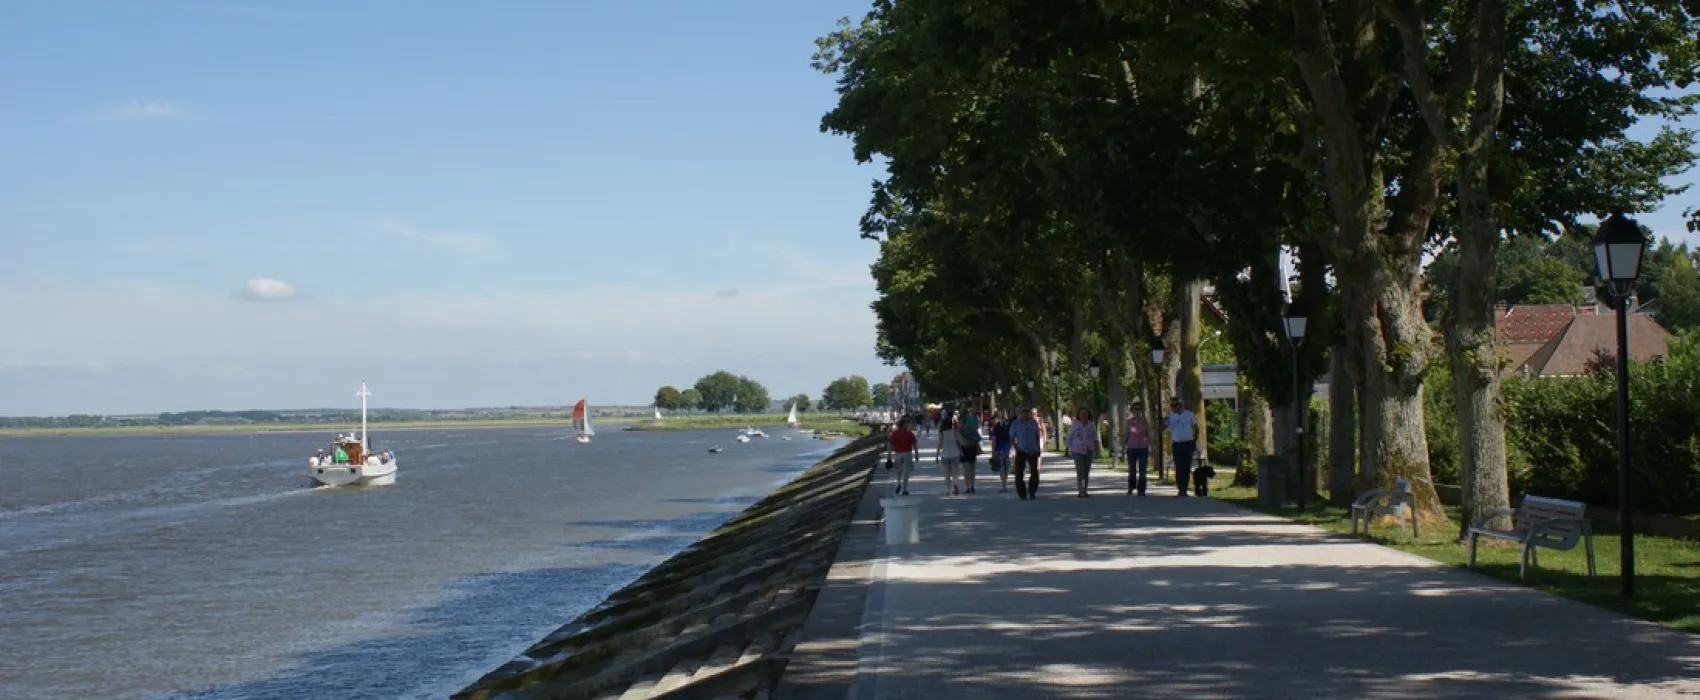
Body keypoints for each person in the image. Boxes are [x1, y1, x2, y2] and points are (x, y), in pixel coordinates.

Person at [1166, 397, 1200, 497]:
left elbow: (1196, 427)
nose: (1172, 407)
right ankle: (1181, 488)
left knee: (1186, 467)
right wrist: (1164, 420)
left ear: (1180, 405)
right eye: (1171, 405)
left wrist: (1194, 440)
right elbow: (1163, 427)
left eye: (1174, 405)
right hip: (1177, 444)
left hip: (1188, 443)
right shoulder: (1171, 416)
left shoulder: (1189, 414)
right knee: (1179, 467)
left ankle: (1184, 488)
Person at [1009, 406, 1043, 500]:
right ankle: (1022, 493)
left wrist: (1038, 447)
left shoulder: (1033, 422)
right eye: (1024, 411)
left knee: (1034, 471)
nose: (1026, 413)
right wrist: (1015, 447)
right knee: (1019, 472)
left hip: (1033, 450)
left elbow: (1037, 435)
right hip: (1021, 450)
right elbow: (1011, 436)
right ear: (1019, 412)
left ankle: (1032, 491)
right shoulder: (1015, 423)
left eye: (1028, 411)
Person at [1068, 407, 1100, 497]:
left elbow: (1095, 437)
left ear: (1088, 414)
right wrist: (1069, 447)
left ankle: (1085, 489)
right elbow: (1070, 436)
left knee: (1086, 471)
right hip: (1077, 450)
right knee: (1080, 471)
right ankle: (1080, 490)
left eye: (1085, 413)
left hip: (1088, 450)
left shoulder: (1091, 424)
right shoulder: (1075, 425)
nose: (1083, 415)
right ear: (1078, 415)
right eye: (1081, 413)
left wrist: (1097, 448)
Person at [1125, 402, 1152, 496]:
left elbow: (1148, 434)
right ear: (1132, 411)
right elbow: (1126, 434)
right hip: (1132, 447)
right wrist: (1123, 447)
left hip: (1143, 447)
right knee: (1132, 469)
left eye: (1139, 409)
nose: (1137, 411)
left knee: (1143, 470)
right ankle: (1131, 487)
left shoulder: (1145, 421)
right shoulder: (1129, 422)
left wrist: (1151, 446)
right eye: (1135, 409)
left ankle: (1142, 489)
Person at [888, 418, 919, 495]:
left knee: (898, 471)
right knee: (906, 472)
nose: (907, 425)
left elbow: (890, 445)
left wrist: (889, 456)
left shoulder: (894, 434)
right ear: (904, 425)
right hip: (907, 453)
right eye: (906, 424)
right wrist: (916, 454)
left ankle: (898, 483)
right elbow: (914, 444)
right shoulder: (909, 433)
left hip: (898, 454)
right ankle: (904, 489)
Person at [936, 416, 962, 496]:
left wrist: (936, 456)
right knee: (955, 472)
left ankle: (948, 490)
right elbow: (960, 442)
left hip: (945, 455)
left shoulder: (942, 433)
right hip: (955, 454)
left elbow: (939, 445)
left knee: (947, 474)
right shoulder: (955, 432)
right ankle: (956, 484)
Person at [957, 411, 983, 494]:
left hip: (964, 449)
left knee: (966, 469)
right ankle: (972, 486)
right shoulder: (972, 428)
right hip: (972, 448)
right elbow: (979, 438)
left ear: (961, 421)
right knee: (972, 468)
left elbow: (957, 442)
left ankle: (967, 486)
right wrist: (972, 439)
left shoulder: (959, 430)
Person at [990, 411, 1013, 493]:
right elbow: (1011, 437)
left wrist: (993, 452)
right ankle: (1005, 483)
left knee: (1001, 467)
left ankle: (1004, 485)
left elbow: (993, 440)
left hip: (999, 448)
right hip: (1007, 447)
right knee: (1006, 466)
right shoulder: (1008, 425)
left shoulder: (995, 427)